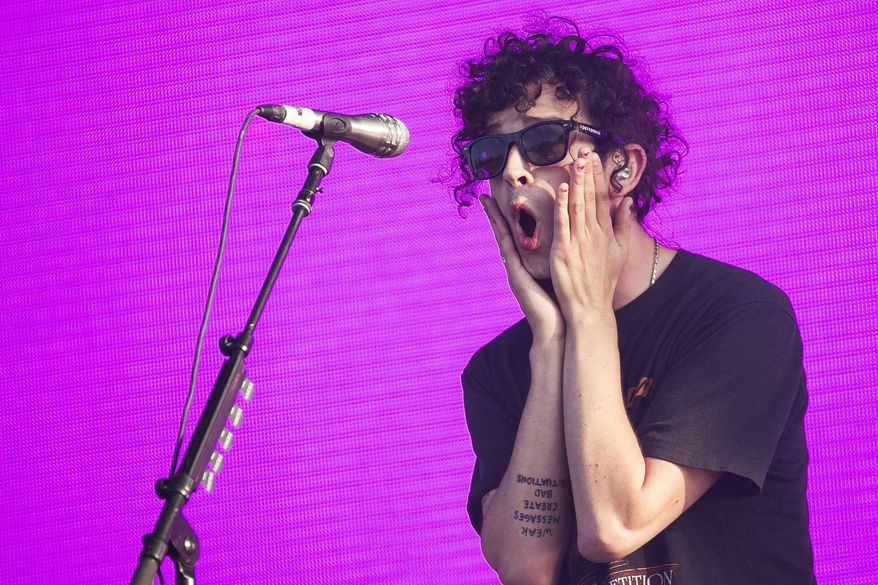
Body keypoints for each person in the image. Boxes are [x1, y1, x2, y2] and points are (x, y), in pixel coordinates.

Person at [452, 20, 814, 585]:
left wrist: (590, 316)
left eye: (544, 143)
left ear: (621, 169)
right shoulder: (497, 369)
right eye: (493, 154)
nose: (514, 171)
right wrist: (553, 347)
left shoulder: (739, 316)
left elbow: (616, 526)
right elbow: (525, 568)